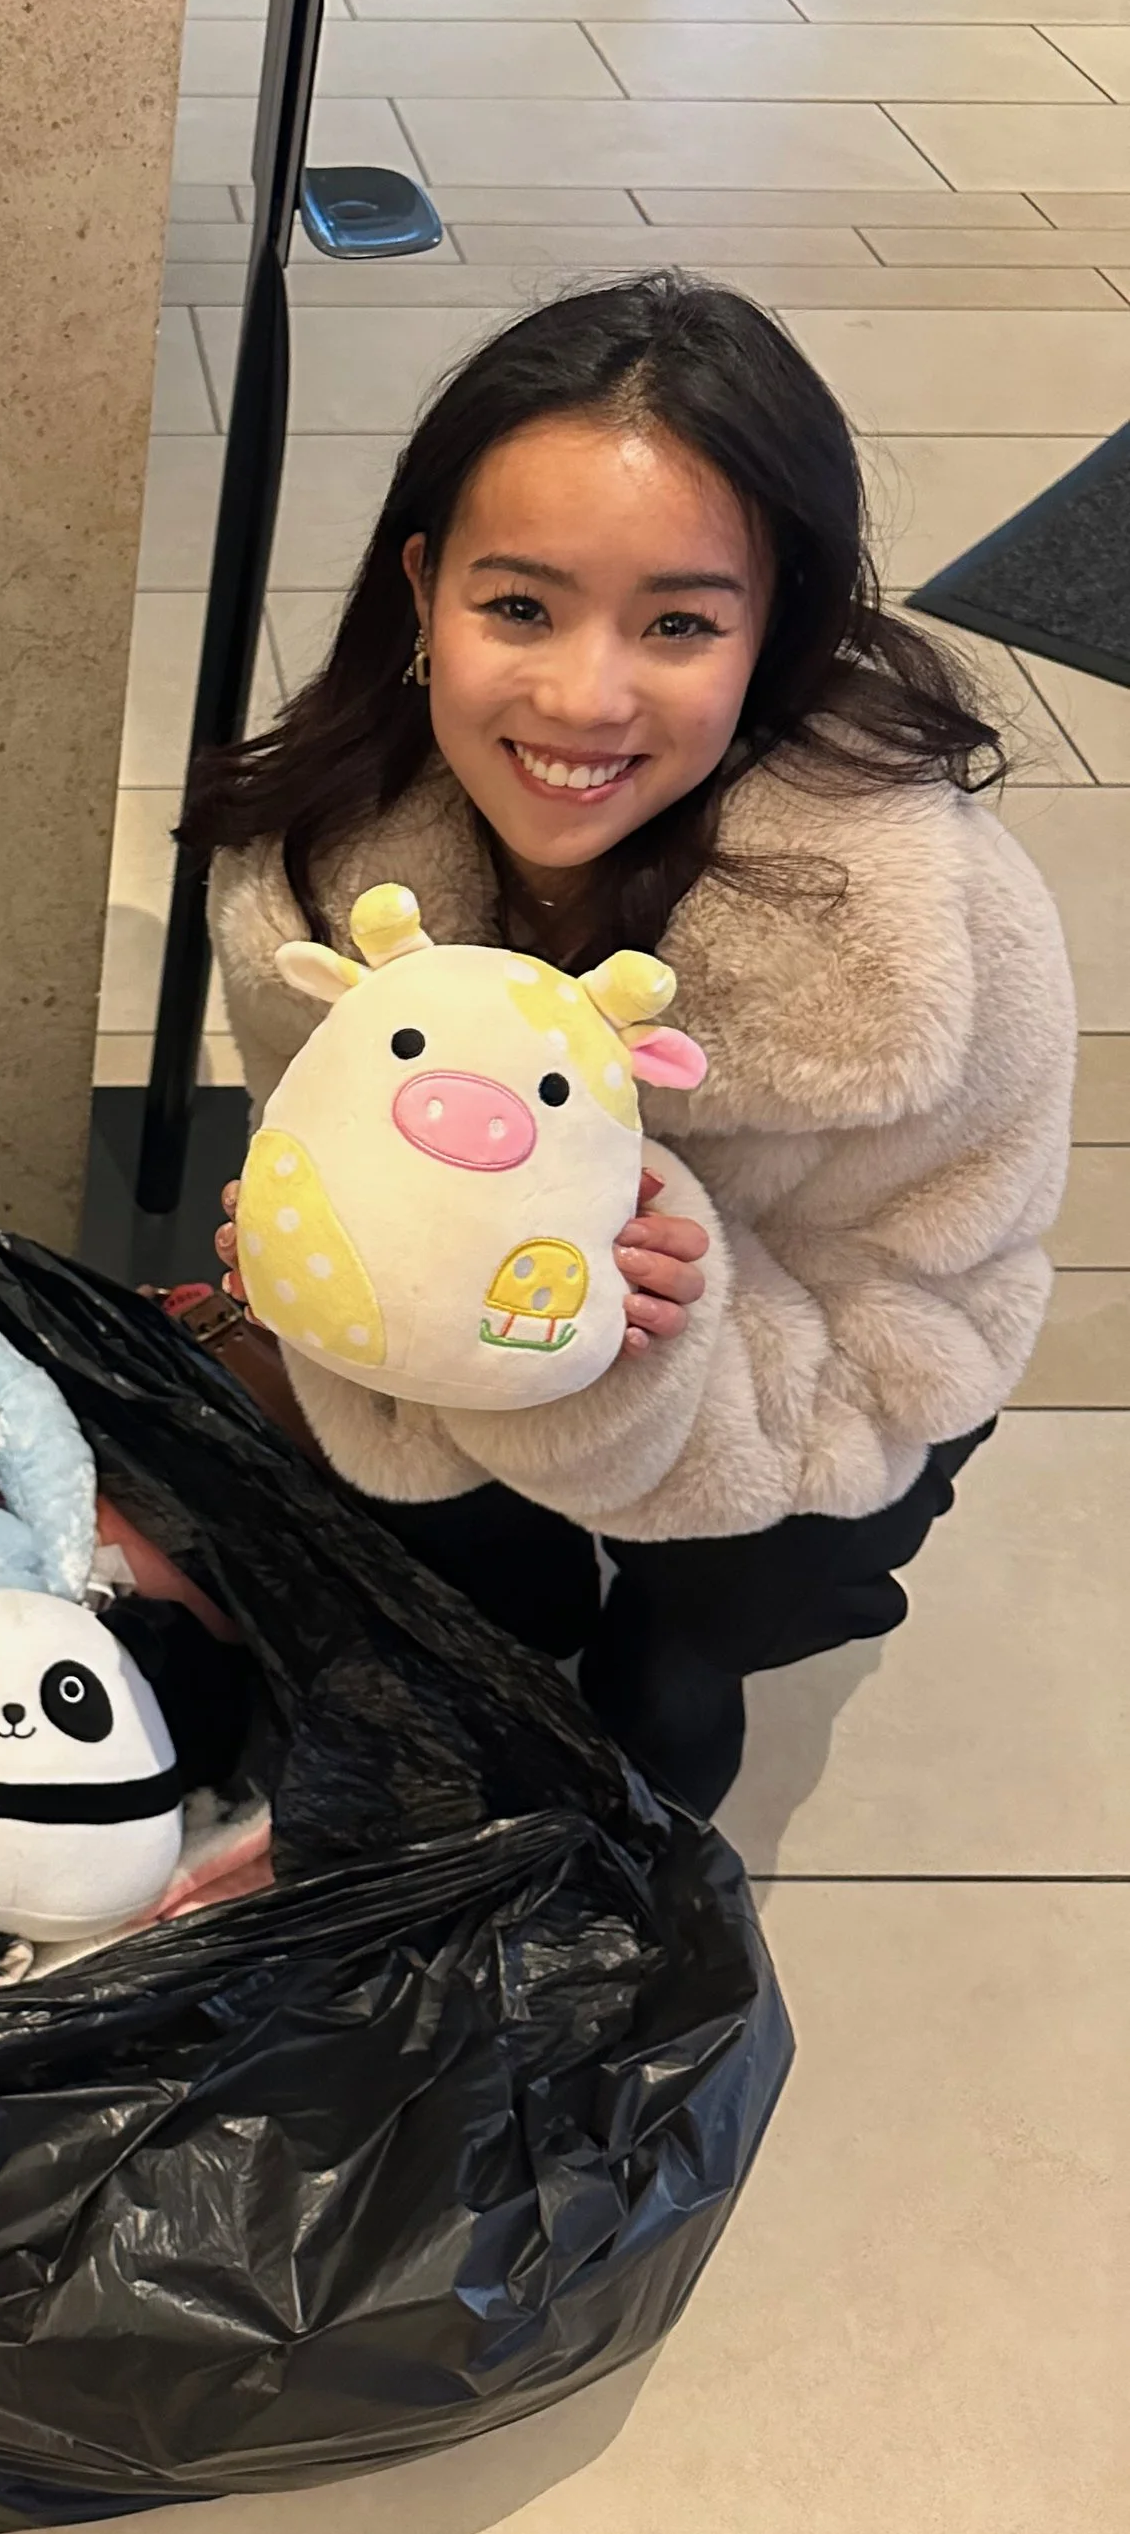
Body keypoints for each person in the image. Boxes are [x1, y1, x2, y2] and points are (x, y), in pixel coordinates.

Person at [184, 275, 1072, 1817]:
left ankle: (676, 1659)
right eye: (518, 606)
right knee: (449, 1581)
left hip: (805, 1380)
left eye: (677, 624)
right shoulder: (314, 869)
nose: (584, 700)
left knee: (697, 1652)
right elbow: (304, 1124)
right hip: (468, 1408)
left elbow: (918, 1307)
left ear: (774, 622)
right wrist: (317, 1253)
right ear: (423, 588)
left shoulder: (929, 934)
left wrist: (673, 1314)